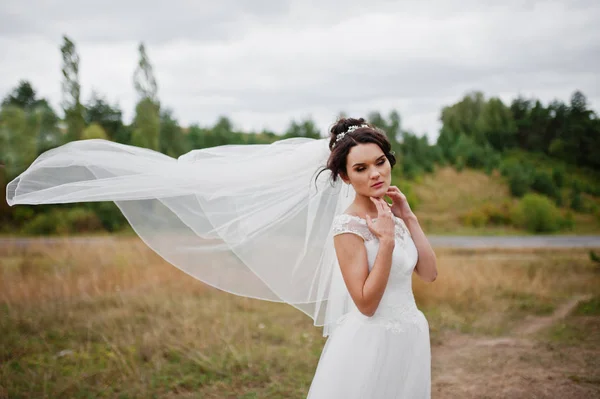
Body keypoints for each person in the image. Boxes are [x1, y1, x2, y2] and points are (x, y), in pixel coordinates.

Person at [6, 116, 437, 398]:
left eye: (380, 162)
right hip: (369, 342)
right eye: (361, 168)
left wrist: (408, 219)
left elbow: (429, 274)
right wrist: (380, 238)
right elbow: (365, 302)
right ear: (343, 175)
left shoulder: (394, 216)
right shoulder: (347, 228)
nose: (375, 173)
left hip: (409, 333)